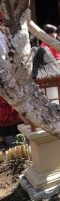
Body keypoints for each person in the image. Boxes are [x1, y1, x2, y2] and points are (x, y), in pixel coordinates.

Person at [0, 13, 22, 152]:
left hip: (12, 72)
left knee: (15, 104)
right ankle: (2, 140)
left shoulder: (10, 34)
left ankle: (18, 136)